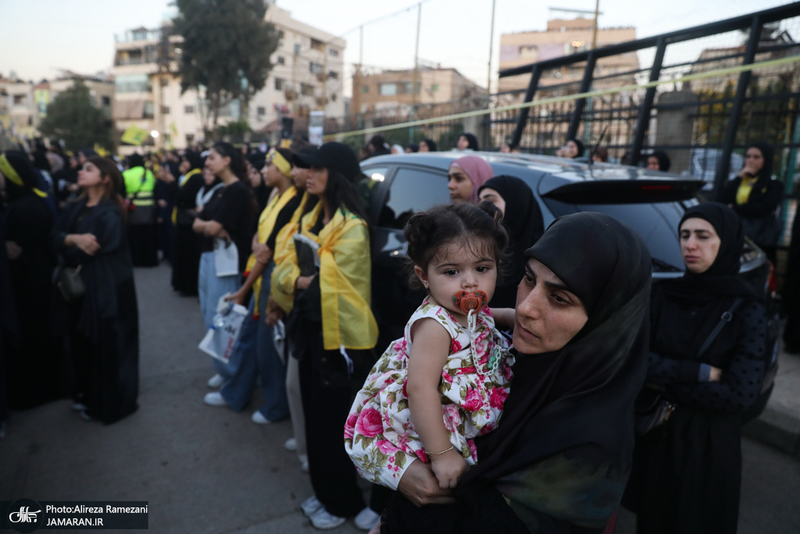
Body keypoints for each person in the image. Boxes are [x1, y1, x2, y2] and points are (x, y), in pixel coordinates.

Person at [377, 212, 652, 534]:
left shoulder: (590, 445)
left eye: (559, 298)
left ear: (605, 319)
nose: (525, 308)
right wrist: (402, 471)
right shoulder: (506, 353)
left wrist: (417, 485)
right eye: (529, 279)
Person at [346, 201, 514, 491]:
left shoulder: (469, 308)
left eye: (482, 268)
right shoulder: (435, 327)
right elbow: (421, 389)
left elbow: (487, 315)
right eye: (452, 272)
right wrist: (442, 453)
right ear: (424, 276)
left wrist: (513, 316)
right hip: (431, 422)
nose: (470, 282)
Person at [624, 202, 768, 534]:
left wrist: (661, 378)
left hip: (709, 448)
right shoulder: (662, 295)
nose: (690, 245)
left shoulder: (747, 308)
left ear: (726, 242)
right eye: (685, 235)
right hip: (659, 436)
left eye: (703, 236)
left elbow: (740, 393)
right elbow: (635, 361)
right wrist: (698, 373)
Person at [285, 142, 382, 530]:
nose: (308, 175)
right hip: (313, 333)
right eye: (307, 168)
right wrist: (300, 280)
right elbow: (286, 271)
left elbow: (338, 287)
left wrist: (301, 280)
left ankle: (342, 502)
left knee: (331, 425)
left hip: (340, 342)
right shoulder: (311, 219)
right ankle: (326, 493)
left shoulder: (352, 227)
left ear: (336, 175)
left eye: (317, 168)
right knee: (315, 418)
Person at [204, 148, 299, 427]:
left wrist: (243, 289)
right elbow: (261, 235)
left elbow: (268, 254)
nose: (263, 170)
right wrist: (257, 244)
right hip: (260, 275)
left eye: (269, 165)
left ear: (282, 170)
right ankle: (236, 392)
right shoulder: (275, 196)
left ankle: (275, 405)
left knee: (266, 345)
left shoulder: (293, 202)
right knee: (250, 339)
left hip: (269, 277)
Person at [50, 156, 139, 424]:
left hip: (104, 290)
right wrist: (72, 238)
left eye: (89, 169)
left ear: (105, 178)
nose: (81, 172)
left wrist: (68, 243)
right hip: (78, 288)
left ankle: (104, 401)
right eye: (82, 168)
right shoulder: (75, 206)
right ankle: (85, 393)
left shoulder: (110, 212)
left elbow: (94, 248)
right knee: (80, 344)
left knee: (104, 345)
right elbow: (53, 236)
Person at [267, 145, 321, 472]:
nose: (298, 173)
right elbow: (285, 253)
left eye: (306, 167)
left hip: (313, 310)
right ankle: (305, 445)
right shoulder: (304, 203)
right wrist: (284, 288)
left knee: (303, 387)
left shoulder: (332, 214)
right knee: (296, 386)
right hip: (295, 301)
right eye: (297, 167)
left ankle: (310, 451)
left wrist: (292, 282)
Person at [0, 151, 63, 409]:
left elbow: (23, 248)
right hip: (32, 277)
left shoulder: (25, 207)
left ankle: (36, 391)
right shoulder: (23, 201)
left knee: (33, 333)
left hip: (30, 281)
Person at [193, 142, 256, 385]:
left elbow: (213, 227)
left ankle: (233, 377)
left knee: (222, 317)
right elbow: (198, 223)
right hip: (210, 257)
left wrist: (209, 226)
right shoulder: (221, 189)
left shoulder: (237, 191)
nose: (207, 162)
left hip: (227, 263)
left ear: (227, 160)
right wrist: (208, 226)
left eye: (212, 157)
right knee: (210, 313)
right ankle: (224, 371)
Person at [478, 175, 544, 308]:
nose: (482, 208)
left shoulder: (541, 263)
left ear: (516, 204)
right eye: (480, 202)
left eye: (490, 201)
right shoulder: (478, 249)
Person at [719, 142, 783, 262]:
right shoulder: (740, 180)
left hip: (759, 236)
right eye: (748, 156)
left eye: (756, 157)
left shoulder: (774, 184)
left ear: (766, 160)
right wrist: (739, 178)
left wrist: (734, 208)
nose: (750, 160)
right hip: (735, 233)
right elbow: (721, 200)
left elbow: (763, 208)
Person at [170, 151, 206, 296]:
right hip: (184, 222)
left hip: (188, 224)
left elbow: (182, 197)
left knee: (188, 257)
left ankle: (188, 286)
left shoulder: (195, 177)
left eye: (185, 161)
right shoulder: (187, 177)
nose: (182, 164)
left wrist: (172, 182)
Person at [123, 153, 158, 267]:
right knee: (149, 236)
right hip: (149, 209)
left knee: (135, 236)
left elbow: (123, 190)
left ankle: (137, 260)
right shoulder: (148, 173)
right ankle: (150, 261)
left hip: (134, 209)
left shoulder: (126, 174)